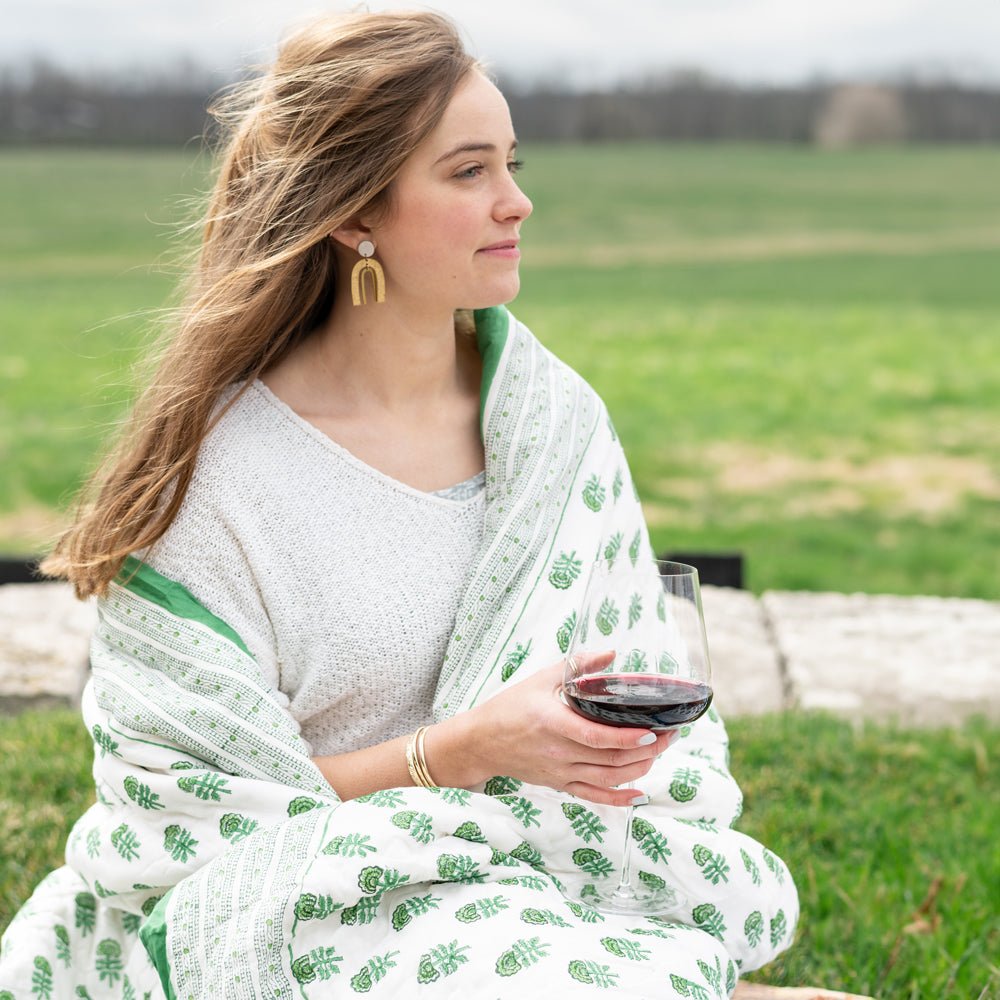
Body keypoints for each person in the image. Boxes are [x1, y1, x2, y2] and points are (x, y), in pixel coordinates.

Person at [0, 11, 797, 997]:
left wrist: (572, 765)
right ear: (354, 212)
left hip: (531, 874)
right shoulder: (218, 483)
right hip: (304, 911)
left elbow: (643, 700)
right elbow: (188, 824)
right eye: (469, 173)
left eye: (510, 162)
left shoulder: (552, 425)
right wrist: (459, 753)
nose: (517, 203)